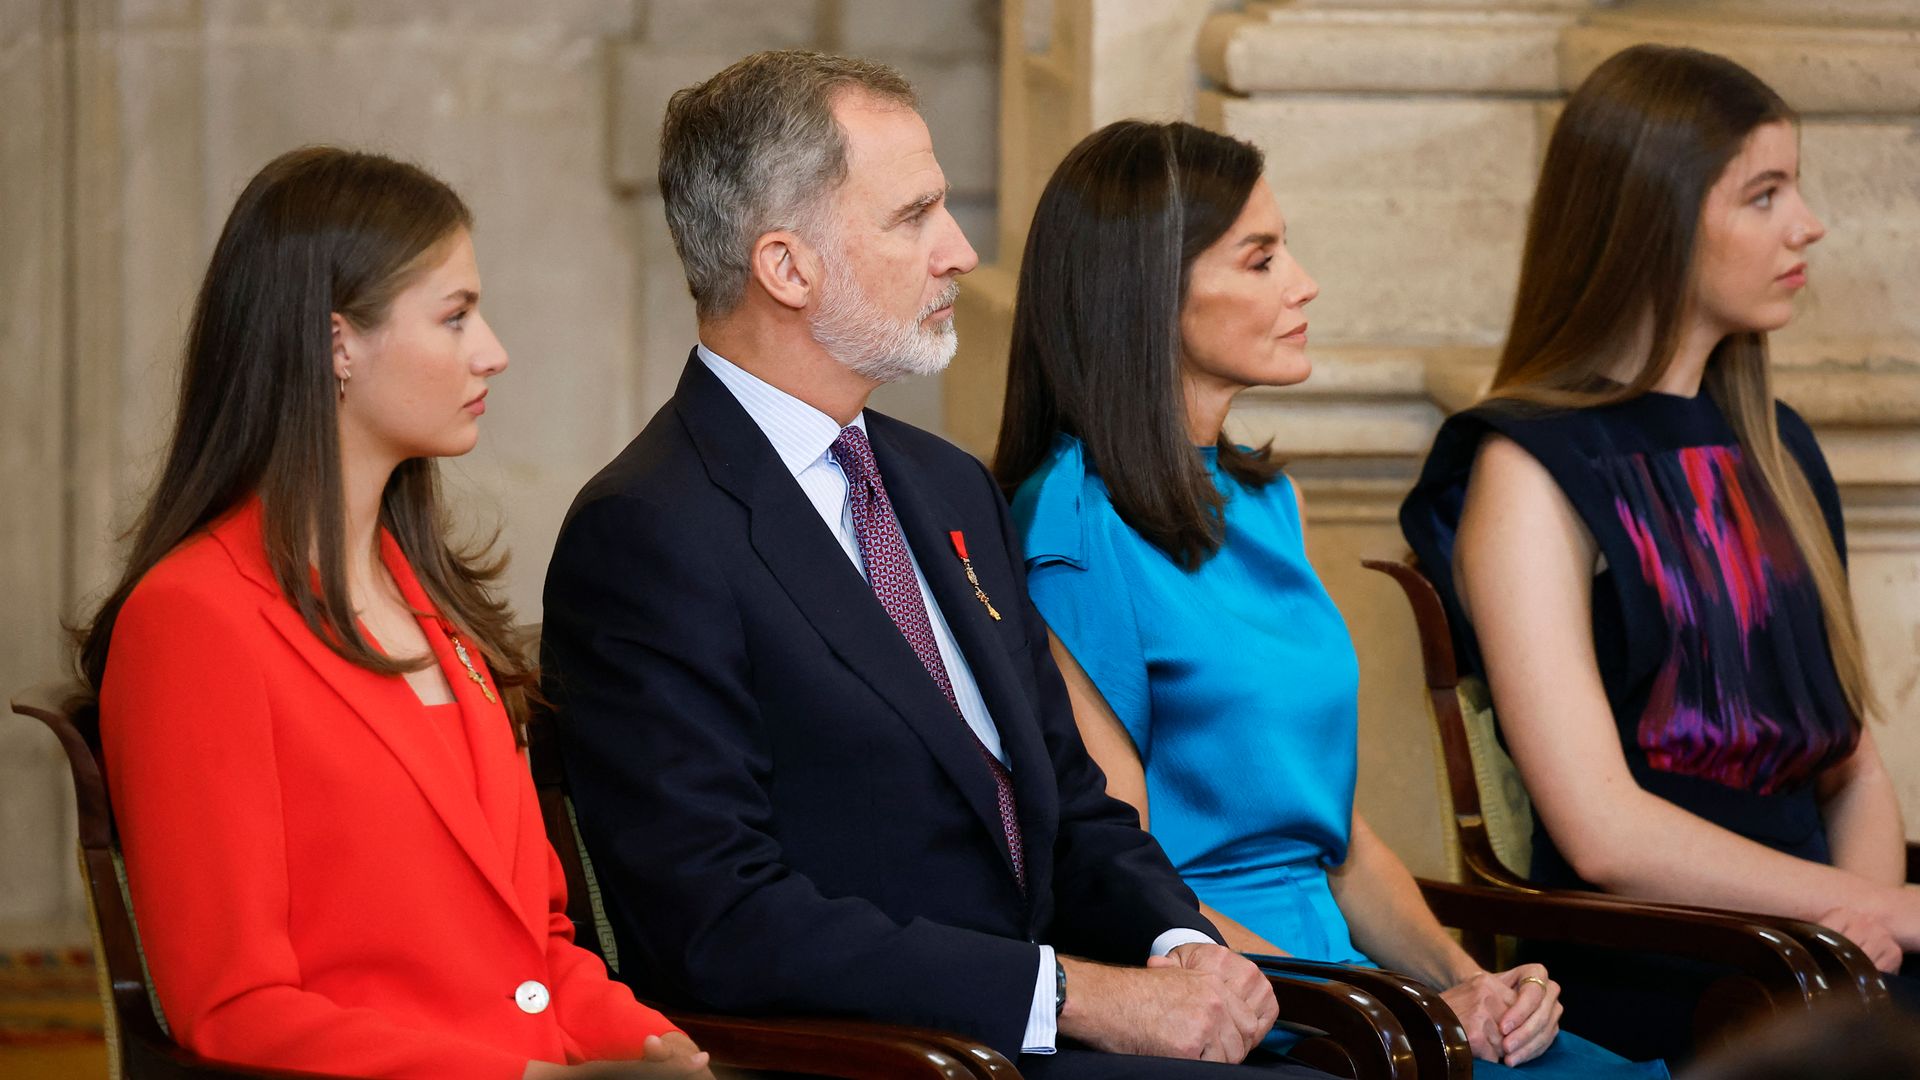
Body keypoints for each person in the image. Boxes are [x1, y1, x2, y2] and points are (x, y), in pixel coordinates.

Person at [540, 50, 1327, 1079]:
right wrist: (1080, 996)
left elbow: (1071, 804)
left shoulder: (947, 486)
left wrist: (1179, 948)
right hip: (892, 1055)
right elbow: (719, 918)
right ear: (787, 267)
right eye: (914, 216)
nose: (958, 250)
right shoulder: (648, 529)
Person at [993, 118, 1665, 1080]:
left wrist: (1474, 984)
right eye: (1261, 260)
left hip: (1348, 983)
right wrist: (1400, 1006)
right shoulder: (1072, 529)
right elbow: (1113, 872)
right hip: (1233, 1004)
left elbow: (1336, 838)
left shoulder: (1266, 499)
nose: (1303, 283)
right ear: (1146, 292)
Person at [83, 147, 711, 1080]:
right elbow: (232, 1010)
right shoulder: (192, 623)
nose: (492, 350)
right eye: (455, 317)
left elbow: (537, 955)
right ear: (337, 343)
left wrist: (659, 1053)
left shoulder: (434, 603)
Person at [1399, 44, 1920, 1061]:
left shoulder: (1777, 442)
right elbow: (1602, 831)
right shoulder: (1530, 465)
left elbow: (1849, 766)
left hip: (1820, 941)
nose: (1807, 224)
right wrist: (1863, 910)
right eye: (1764, 195)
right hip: (1665, 952)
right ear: (1656, 220)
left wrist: (1869, 935)